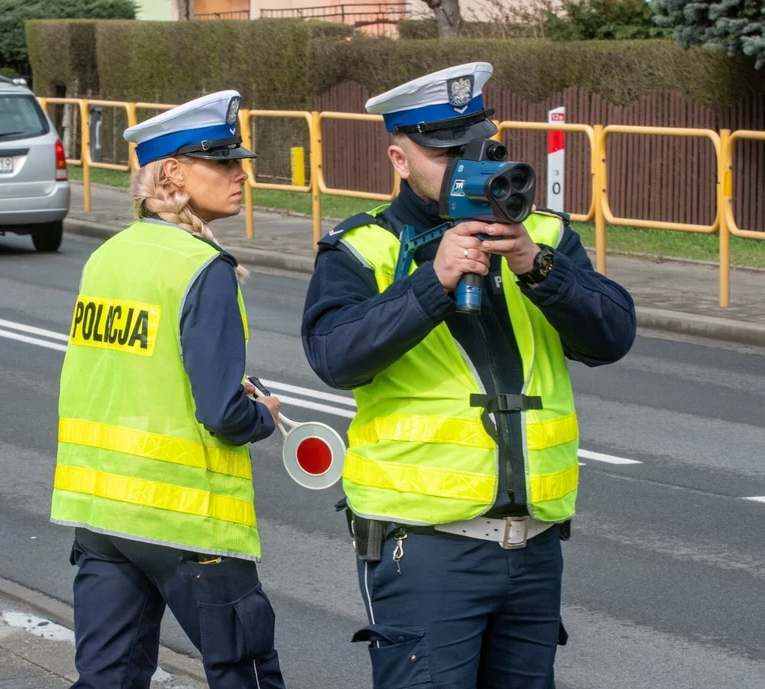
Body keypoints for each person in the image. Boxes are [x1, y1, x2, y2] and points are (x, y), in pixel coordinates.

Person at [301, 63, 637, 689]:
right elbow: (333, 355)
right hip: (425, 549)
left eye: (480, 145)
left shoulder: (543, 236)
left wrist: (540, 269)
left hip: (534, 546)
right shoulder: (364, 246)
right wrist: (433, 283)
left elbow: (612, 337)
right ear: (400, 159)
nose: (467, 163)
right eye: (446, 151)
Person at [50, 90, 286, 689]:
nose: (240, 175)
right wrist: (262, 417)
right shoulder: (202, 266)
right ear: (174, 174)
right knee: (246, 677)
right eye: (223, 162)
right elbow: (222, 413)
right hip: (187, 522)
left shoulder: (106, 256)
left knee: (109, 679)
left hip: (103, 516)